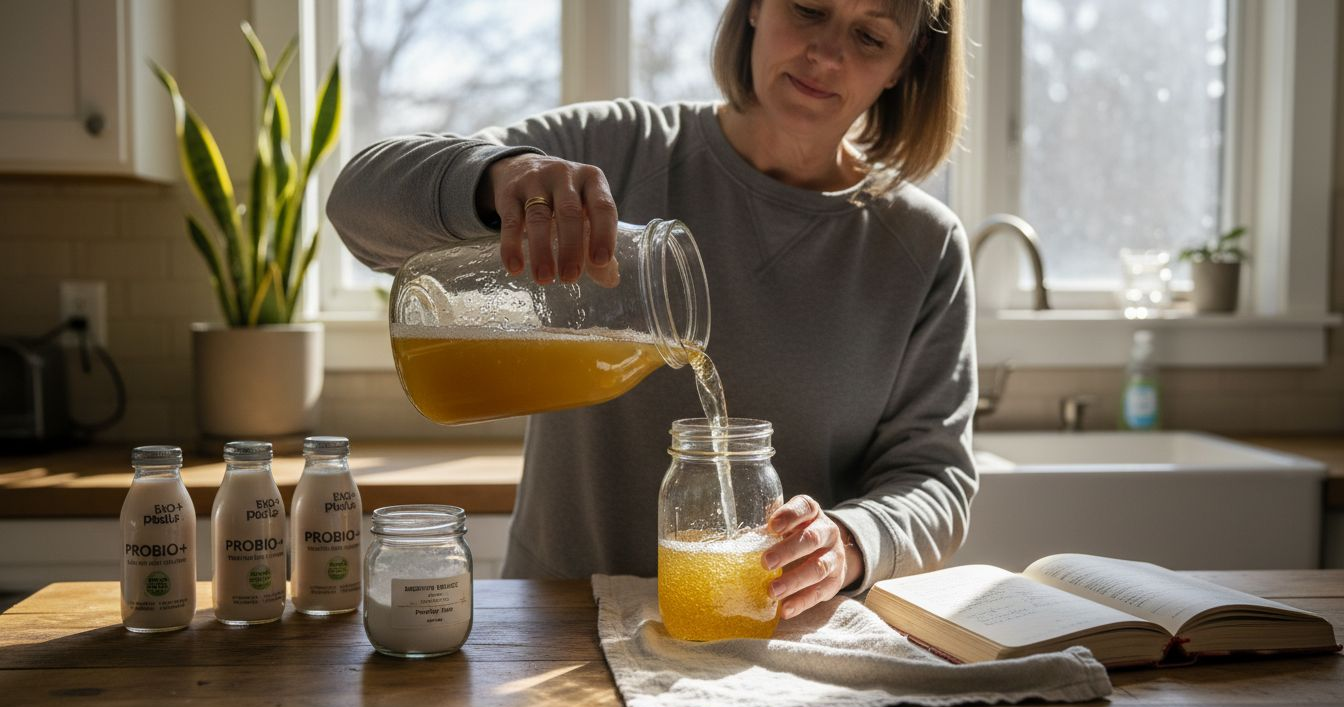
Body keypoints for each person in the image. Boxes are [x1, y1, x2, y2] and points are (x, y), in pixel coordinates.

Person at [328, 0, 976, 620]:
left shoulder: (922, 248)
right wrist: (499, 178)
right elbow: (356, 204)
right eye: (807, 10)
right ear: (754, 6)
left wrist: (851, 541)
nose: (827, 54)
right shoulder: (614, 155)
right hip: (557, 628)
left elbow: (934, 475)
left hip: (768, 641)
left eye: (870, 37)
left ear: (906, 60)